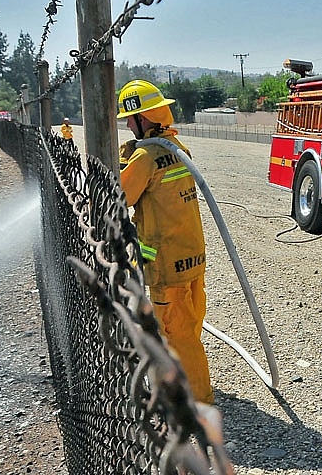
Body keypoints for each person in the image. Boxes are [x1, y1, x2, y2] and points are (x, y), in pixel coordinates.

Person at [116, 79, 214, 404]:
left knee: (178, 335)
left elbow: (121, 197)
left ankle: (198, 404)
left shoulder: (144, 157)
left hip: (166, 266)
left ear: (143, 117)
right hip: (192, 256)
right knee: (190, 327)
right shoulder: (177, 147)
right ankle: (187, 380)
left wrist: (123, 161)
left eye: (130, 119)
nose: (127, 125)